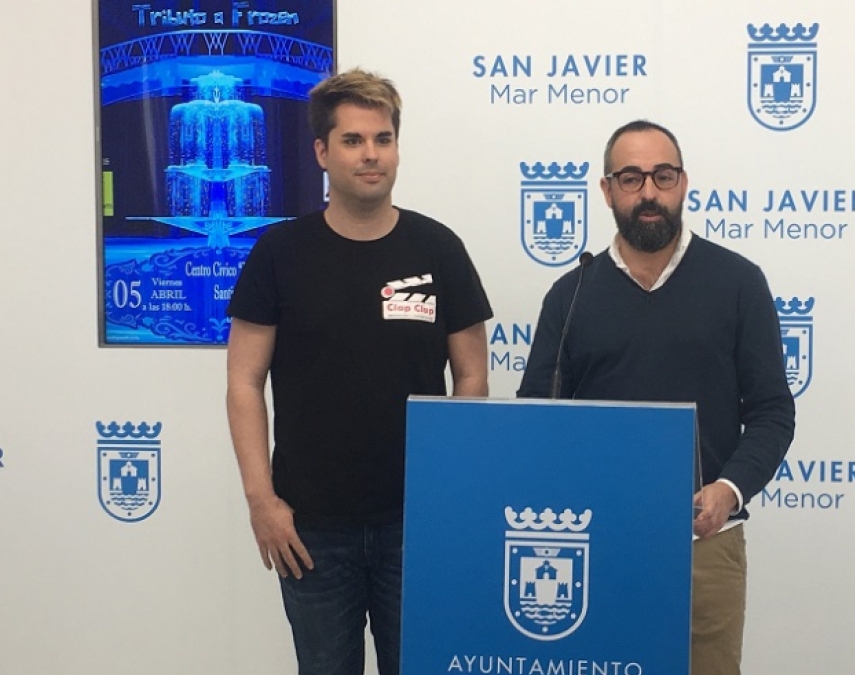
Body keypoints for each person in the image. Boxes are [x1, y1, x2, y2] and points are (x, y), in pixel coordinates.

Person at [225, 68, 492, 675]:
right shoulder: (279, 254)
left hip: (416, 522)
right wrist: (262, 501)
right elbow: (243, 383)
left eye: (383, 139)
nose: (371, 154)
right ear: (322, 152)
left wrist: (450, 489)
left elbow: (473, 377)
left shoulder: (439, 248)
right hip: (311, 530)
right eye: (353, 140)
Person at [517, 120, 795, 675]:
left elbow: (772, 411)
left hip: (704, 547)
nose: (649, 192)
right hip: (595, 544)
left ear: (683, 183)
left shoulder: (738, 283)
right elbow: (537, 420)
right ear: (607, 190)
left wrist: (729, 490)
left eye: (662, 176)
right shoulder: (572, 295)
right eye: (631, 178)